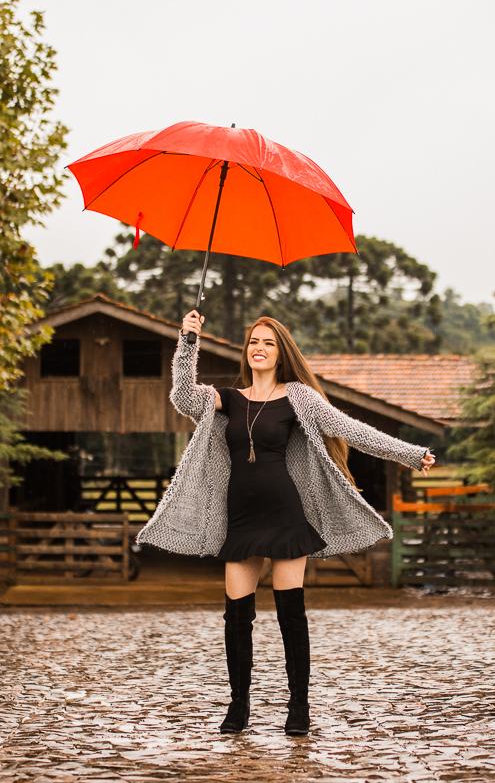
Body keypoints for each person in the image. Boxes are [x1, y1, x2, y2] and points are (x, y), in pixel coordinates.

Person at [136, 310, 435, 736]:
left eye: (268, 343)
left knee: (290, 614)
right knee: (236, 618)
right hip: (239, 519)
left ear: (281, 353)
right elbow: (183, 396)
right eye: (253, 342)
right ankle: (239, 706)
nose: (258, 348)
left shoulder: (300, 398)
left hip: (285, 516)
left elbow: (351, 430)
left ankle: (299, 707)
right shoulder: (227, 399)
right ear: (247, 351)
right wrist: (187, 342)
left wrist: (408, 453)